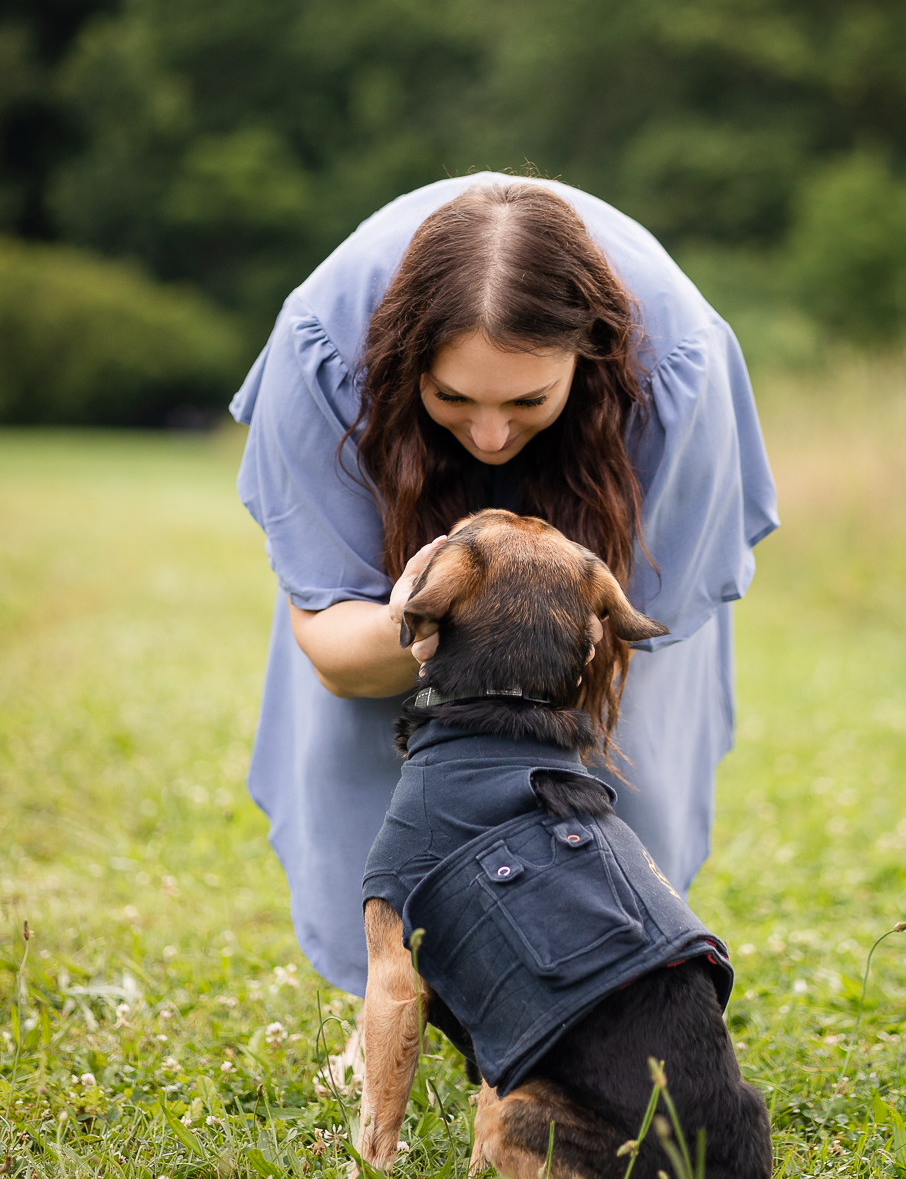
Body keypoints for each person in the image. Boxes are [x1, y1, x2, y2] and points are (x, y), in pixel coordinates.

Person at [231, 173, 778, 998]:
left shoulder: (675, 366)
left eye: (529, 398)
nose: (490, 436)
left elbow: (642, 625)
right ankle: (386, 992)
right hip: (390, 589)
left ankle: (601, 991)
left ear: (584, 356)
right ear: (407, 360)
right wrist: (428, 611)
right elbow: (340, 653)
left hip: (609, 554)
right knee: (360, 747)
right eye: (452, 396)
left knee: (629, 769)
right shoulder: (326, 348)